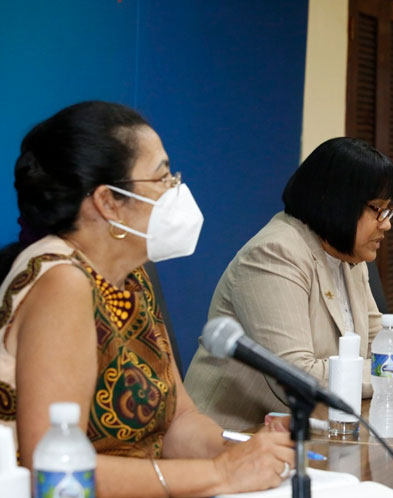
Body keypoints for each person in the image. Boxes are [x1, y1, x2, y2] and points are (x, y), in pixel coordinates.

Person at [0, 101, 296, 496]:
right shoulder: (62, 282)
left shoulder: (131, 274)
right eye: (162, 178)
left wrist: (244, 453)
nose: (176, 190)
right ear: (108, 202)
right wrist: (222, 473)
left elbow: (178, 422)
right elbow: (52, 467)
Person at [184, 138, 393, 428]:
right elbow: (297, 376)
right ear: (337, 202)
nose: (386, 224)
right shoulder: (274, 254)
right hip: (235, 434)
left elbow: (373, 344)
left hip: (314, 426)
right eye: (378, 210)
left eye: (388, 211)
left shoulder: (347, 255)